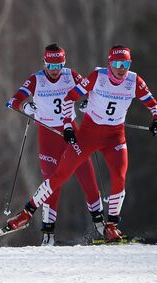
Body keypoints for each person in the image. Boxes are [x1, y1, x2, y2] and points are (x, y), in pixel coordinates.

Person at [7, 45, 157, 241]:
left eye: (125, 64)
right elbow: (20, 100)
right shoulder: (93, 76)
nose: (121, 68)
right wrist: (26, 106)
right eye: (117, 63)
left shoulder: (132, 81)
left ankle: (109, 226)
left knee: (116, 177)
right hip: (77, 135)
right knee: (58, 177)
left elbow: (153, 104)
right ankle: (29, 217)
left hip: (114, 136)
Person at [6, 43, 103, 245]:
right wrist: (26, 106)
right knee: (52, 185)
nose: (55, 71)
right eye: (50, 66)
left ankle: (103, 227)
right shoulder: (36, 79)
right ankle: (48, 235)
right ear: (45, 63)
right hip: (48, 136)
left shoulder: (71, 76)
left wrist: (88, 103)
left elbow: (90, 89)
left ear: (64, 63)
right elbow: (14, 100)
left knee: (88, 177)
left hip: (71, 134)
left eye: (58, 65)